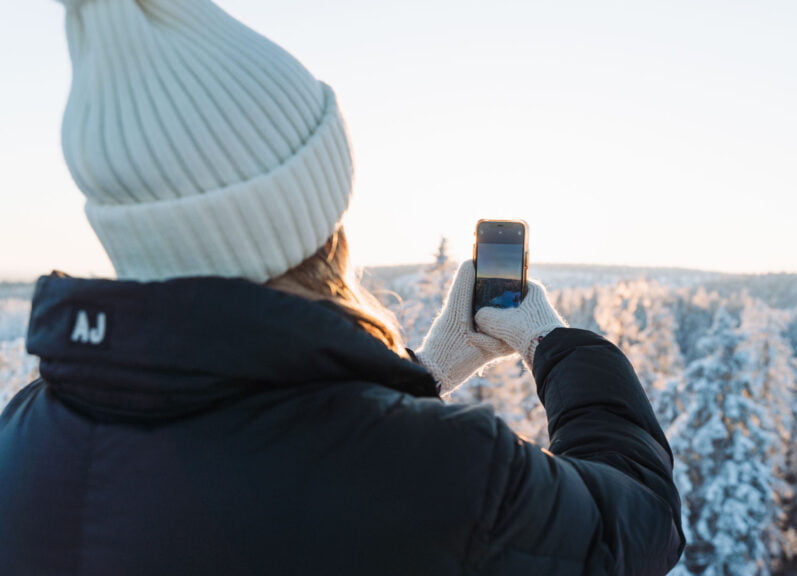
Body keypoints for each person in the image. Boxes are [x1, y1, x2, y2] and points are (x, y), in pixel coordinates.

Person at [0, 1, 685, 574]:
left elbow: (261, 435)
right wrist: (551, 341)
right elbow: (635, 525)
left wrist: (427, 371)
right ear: (315, 219)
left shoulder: (24, 433)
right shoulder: (437, 470)